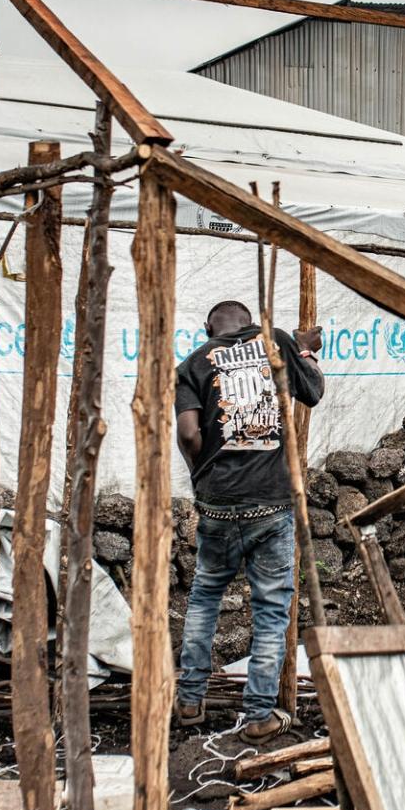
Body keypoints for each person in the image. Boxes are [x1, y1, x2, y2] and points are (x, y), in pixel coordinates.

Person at [174, 298, 324, 737]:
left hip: (218, 502)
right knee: (271, 610)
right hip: (271, 504)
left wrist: (203, 472)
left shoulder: (193, 364)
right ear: (252, 324)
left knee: (204, 598)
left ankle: (189, 702)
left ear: (208, 329)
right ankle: (259, 715)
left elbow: (187, 433)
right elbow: (311, 391)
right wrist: (307, 353)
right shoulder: (273, 342)